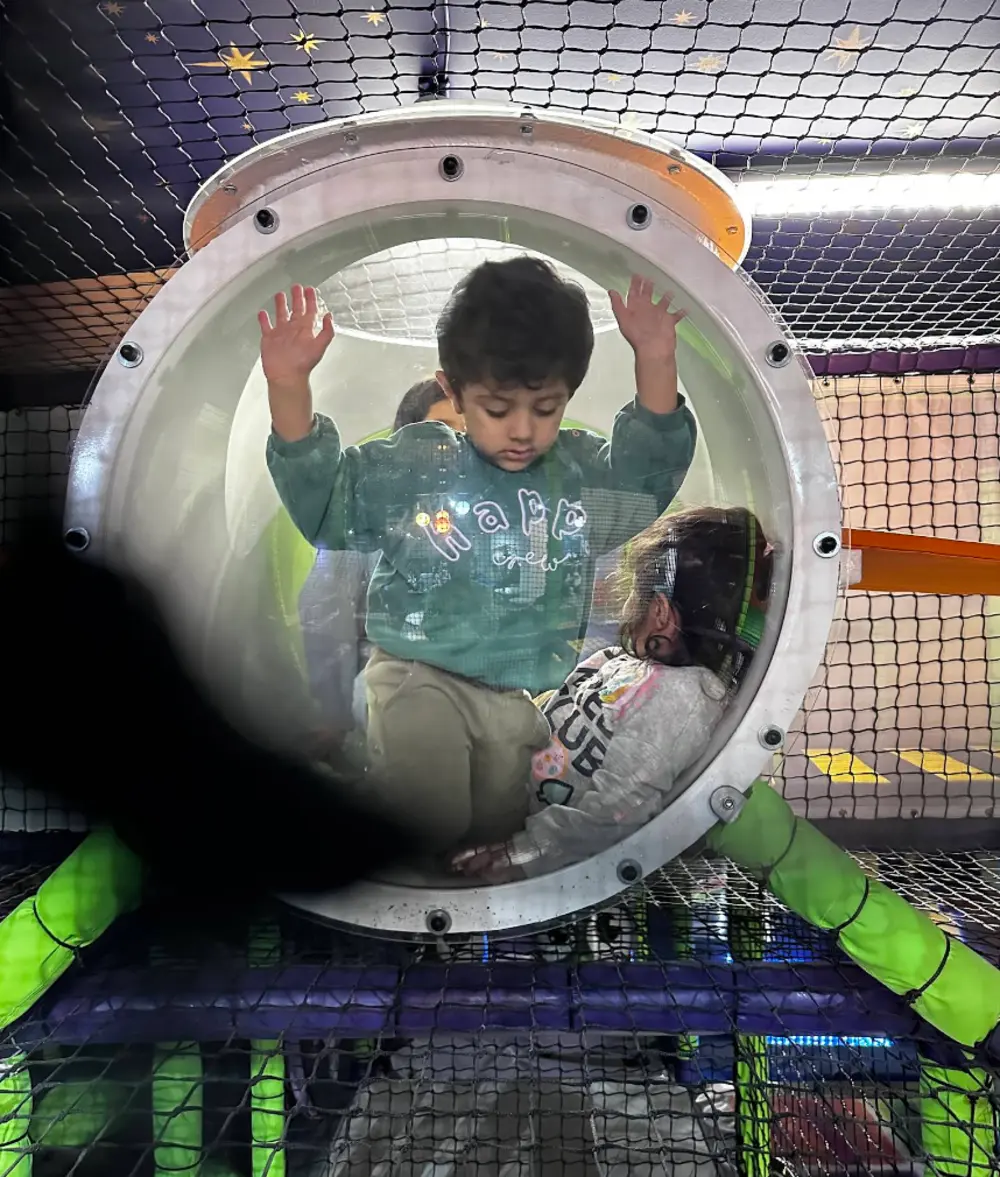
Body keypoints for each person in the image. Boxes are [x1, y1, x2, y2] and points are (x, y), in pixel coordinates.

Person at [261, 258, 697, 853]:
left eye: (545, 408)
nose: (522, 430)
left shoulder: (574, 475)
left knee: (494, 837)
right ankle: (361, 855)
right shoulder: (422, 465)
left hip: (514, 696)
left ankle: (433, 889)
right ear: (454, 393)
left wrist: (656, 358)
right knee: (430, 825)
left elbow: (646, 477)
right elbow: (329, 500)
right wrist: (288, 384)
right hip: (419, 674)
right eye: (497, 409)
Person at [451, 506, 773, 882]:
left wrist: (518, 854)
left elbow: (613, 814)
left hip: (528, 833)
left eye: (637, 593)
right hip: (499, 788)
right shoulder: (618, 660)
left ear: (660, 612)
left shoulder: (684, 698)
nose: (628, 604)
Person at [299, 378, 465, 740]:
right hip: (396, 680)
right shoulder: (368, 518)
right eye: (442, 430)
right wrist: (332, 712)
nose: (456, 444)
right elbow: (326, 617)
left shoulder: (499, 517)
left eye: (468, 432)